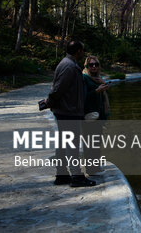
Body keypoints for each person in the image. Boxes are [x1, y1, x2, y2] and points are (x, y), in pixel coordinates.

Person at [45, 40, 96, 187]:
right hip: (68, 112)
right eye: (82, 50)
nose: (83, 52)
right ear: (78, 51)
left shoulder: (67, 63)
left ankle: (61, 175)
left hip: (66, 111)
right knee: (71, 145)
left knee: (63, 144)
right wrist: (50, 101)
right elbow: (58, 89)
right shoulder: (69, 66)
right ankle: (77, 176)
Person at [82, 56, 110, 175]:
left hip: (98, 115)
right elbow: (82, 97)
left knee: (96, 143)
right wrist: (96, 91)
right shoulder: (85, 78)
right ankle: (91, 169)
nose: (93, 66)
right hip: (89, 116)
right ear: (86, 66)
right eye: (91, 65)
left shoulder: (98, 78)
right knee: (90, 144)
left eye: (96, 64)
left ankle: (96, 166)